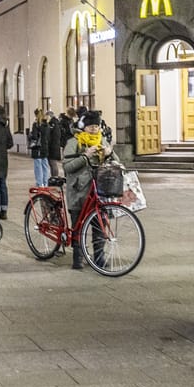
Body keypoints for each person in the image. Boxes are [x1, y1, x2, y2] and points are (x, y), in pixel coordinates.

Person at [62, 110, 121, 270]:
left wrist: (110, 153)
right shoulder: (74, 142)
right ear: (84, 127)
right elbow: (67, 166)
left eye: (96, 126)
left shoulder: (102, 140)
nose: (94, 129)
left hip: (99, 191)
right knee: (78, 225)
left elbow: (117, 162)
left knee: (99, 225)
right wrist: (85, 157)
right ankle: (77, 258)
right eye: (90, 126)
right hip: (79, 191)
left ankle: (99, 258)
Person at [30, 110, 51, 187]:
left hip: (38, 147)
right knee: (45, 165)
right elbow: (48, 137)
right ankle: (45, 182)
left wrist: (31, 136)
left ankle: (39, 183)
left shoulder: (36, 125)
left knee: (38, 166)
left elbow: (34, 136)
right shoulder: (47, 125)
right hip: (45, 147)